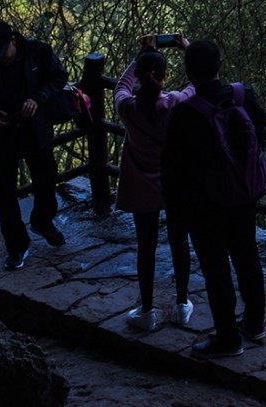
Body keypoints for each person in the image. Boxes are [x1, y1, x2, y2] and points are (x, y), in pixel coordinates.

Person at [162, 38, 266, 359]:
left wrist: (175, 210)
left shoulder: (184, 113)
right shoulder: (242, 95)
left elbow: (173, 168)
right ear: (219, 65)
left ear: (189, 74)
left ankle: (228, 338)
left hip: (204, 205)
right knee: (247, 256)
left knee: (216, 269)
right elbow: (261, 135)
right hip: (244, 196)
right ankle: (255, 323)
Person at [0, 20, 70, 271]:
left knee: (46, 178)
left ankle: (43, 221)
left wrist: (38, 98)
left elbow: (60, 76)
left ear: (13, 41)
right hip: (1, 135)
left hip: (35, 130)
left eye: (2, 53)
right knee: (5, 192)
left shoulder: (38, 52)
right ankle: (16, 246)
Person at [114, 34, 198, 332]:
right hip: (174, 184)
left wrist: (140, 56)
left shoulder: (127, 108)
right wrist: (186, 47)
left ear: (140, 76)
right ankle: (181, 305)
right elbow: (198, 84)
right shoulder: (173, 104)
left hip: (140, 187)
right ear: (164, 76)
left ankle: (147, 310)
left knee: (146, 248)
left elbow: (121, 86)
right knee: (179, 243)